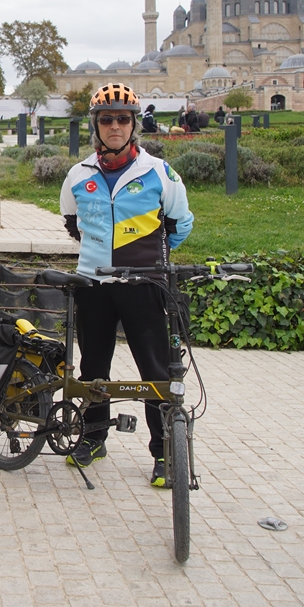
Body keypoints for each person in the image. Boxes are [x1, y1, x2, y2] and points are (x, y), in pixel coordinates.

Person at [59, 82, 194, 486]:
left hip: (144, 285)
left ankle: (165, 451)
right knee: (93, 366)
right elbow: (72, 224)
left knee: (154, 370)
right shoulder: (77, 175)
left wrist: (146, 257)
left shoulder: (158, 172)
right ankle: (93, 438)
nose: (114, 126)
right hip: (94, 285)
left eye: (122, 119)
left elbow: (179, 224)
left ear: (134, 126)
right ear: (95, 126)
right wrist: (103, 256)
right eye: (106, 120)